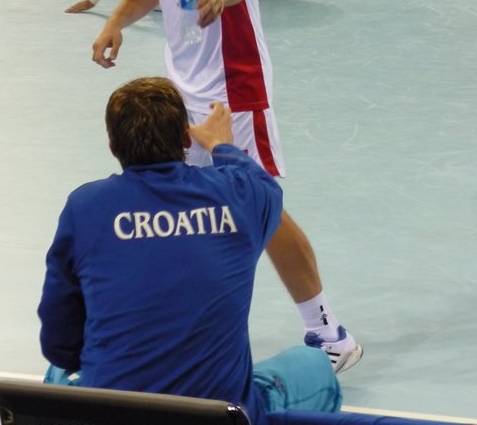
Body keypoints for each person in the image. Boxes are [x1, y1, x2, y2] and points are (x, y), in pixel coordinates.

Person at [89, 0, 362, 374]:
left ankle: (329, 334)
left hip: (232, 88)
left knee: (260, 209)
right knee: (177, 203)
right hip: (182, 87)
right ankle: (176, 326)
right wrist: (116, 20)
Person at [38, 77, 342, 422]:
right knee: (315, 365)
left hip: (111, 415)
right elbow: (265, 186)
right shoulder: (241, 194)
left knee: (59, 374)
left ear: (112, 146)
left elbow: (59, 344)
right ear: (185, 139)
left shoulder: (84, 207)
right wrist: (220, 145)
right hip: (221, 415)